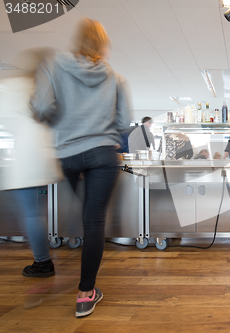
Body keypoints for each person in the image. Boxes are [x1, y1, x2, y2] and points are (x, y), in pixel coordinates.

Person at [30, 18, 132, 318]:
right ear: (103, 45)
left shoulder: (52, 64)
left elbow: (40, 107)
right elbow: (125, 124)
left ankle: (77, 253)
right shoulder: (116, 78)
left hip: (69, 156)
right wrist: (105, 132)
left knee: (87, 212)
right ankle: (85, 294)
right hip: (102, 154)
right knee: (95, 220)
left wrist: (63, 122)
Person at [0, 48, 63, 278]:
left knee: (31, 214)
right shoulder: (47, 91)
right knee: (37, 213)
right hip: (44, 162)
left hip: (26, 163)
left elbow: (8, 122)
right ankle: (43, 257)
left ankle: (43, 262)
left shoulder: (14, 86)